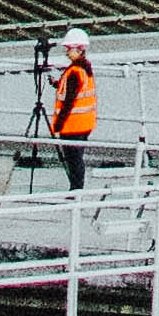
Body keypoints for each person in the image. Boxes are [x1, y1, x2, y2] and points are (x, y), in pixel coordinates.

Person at [46, 27, 98, 192]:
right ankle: (76, 188)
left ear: (79, 49)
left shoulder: (75, 71)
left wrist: (58, 125)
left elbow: (69, 101)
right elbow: (71, 89)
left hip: (73, 125)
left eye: (69, 49)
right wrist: (56, 83)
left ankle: (76, 189)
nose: (67, 53)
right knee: (77, 158)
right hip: (84, 124)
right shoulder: (84, 69)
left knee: (73, 159)